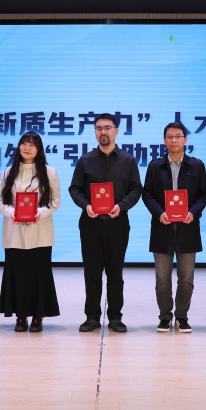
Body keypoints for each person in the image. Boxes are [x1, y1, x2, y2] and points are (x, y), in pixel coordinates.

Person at [68, 113, 143, 333]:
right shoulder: (85, 160)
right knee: (91, 273)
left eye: (107, 128)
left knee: (115, 274)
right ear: (95, 132)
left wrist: (121, 206)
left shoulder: (128, 160)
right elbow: (74, 189)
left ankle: (115, 318)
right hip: (90, 223)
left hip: (117, 224)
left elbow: (136, 189)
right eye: (99, 128)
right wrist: (86, 206)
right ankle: (92, 317)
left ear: (116, 131)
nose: (103, 132)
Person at [142, 122, 206, 333]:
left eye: (178, 136)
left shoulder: (196, 165)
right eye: (170, 137)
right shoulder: (155, 166)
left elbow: (203, 195)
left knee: (186, 279)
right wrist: (159, 212)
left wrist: (193, 212)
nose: (174, 140)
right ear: (164, 140)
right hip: (162, 228)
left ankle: (181, 317)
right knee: (162, 279)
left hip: (188, 228)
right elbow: (147, 194)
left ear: (185, 140)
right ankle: (164, 317)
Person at [0, 132, 61, 332]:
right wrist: (11, 213)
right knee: (17, 275)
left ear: (38, 149)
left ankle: (38, 316)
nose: (27, 148)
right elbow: (0, 200)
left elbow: (55, 200)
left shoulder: (50, 172)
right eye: (24, 144)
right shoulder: (7, 172)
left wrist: (39, 213)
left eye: (32, 145)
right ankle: (20, 316)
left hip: (40, 231)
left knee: (39, 275)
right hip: (14, 231)